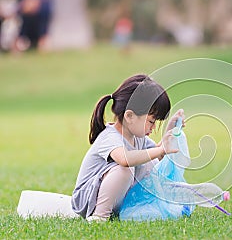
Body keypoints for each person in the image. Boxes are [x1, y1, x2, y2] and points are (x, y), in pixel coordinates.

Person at [71, 74, 184, 222]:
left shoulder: (137, 136)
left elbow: (157, 155)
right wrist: (161, 150)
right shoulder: (109, 137)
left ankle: (131, 208)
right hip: (87, 200)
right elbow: (124, 159)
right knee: (125, 169)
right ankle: (100, 215)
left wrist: (169, 132)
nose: (154, 127)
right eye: (151, 121)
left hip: (113, 194)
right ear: (129, 116)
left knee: (150, 163)